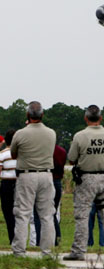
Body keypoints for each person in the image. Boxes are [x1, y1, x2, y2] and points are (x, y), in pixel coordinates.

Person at [63, 105, 104, 261]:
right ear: (100, 118)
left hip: (86, 178)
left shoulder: (80, 136)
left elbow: (72, 158)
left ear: (85, 118)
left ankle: (79, 250)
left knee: (82, 215)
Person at [10, 101, 56, 257]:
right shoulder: (51, 133)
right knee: (47, 215)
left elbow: (13, 154)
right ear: (42, 115)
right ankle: (48, 251)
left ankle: (19, 251)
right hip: (46, 174)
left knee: (23, 213)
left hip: (26, 174)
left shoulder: (20, 134)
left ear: (27, 115)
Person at [34, 144, 66, 246]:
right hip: (57, 182)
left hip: (45, 179)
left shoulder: (43, 150)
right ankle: (56, 239)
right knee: (53, 212)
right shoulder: (62, 151)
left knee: (39, 213)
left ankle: (40, 241)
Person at [0, 130, 17, 244]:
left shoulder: (2, 154)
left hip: (6, 184)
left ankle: (12, 239)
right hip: (20, 183)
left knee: (8, 212)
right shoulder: (21, 154)